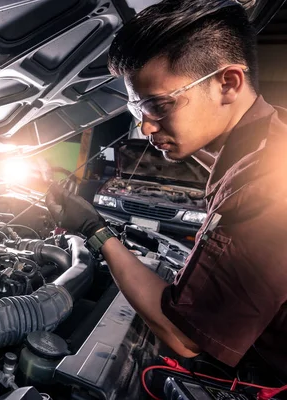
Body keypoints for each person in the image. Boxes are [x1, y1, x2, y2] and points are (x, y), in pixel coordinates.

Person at [45, 0, 287, 378]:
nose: (145, 128)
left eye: (158, 105)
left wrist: (94, 230)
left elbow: (184, 337)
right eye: (138, 110)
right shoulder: (271, 139)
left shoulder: (265, 186)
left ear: (228, 83)